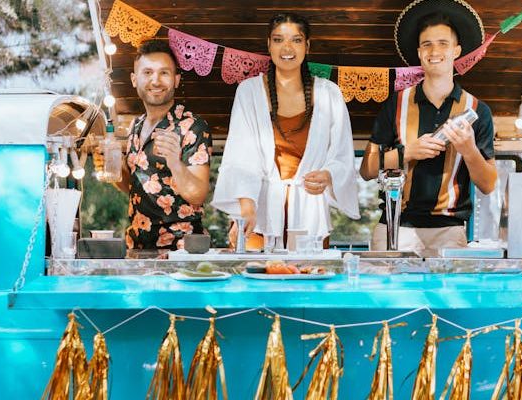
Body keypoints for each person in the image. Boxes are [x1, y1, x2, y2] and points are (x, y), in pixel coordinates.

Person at [360, 0, 497, 257]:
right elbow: (366, 169)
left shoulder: (477, 111)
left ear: (456, 50)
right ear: (420, 53)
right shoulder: (397, 103)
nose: (435, 51)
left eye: (443, 43)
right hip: (395, 229)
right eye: (427, 44)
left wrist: (468, 150)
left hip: (450, 233)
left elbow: (488, 185)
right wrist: (406, 153)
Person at [212, 12, 360, 249]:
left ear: (307, 46)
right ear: (268, 45)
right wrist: (246, 209)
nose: (287, 47)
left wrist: (328, 175)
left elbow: (342, 153)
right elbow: (240, 156)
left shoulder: (329, 94)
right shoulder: (249, 92)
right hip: (258, 212)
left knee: (310, 280)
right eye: (279, 39)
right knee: (256, 280)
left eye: (296, 40)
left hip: (310, 213)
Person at [113, 39, 212, 251]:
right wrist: (114, 169)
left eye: (164, 73)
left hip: (181, 250)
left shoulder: (192, 126)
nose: (155, 81)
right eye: (147, 72)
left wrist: (175, 163)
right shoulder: (135, 126)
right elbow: (136, 188)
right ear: (134, 79)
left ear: (176, 80)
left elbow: (198, 194)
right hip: (138, 246)